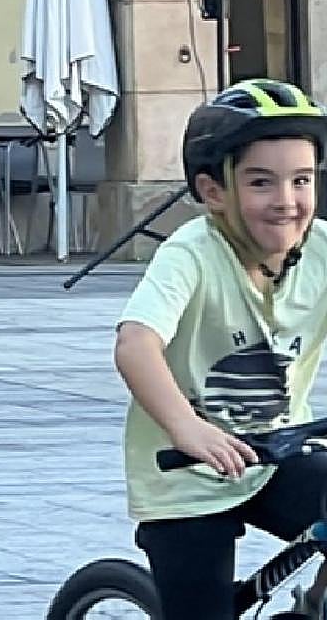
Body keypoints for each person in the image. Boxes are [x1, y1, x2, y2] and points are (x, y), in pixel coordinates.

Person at [114, 79, 327, 620]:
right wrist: (189, 429)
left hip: (276, 458)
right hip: (183, 475)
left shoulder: (321, 249)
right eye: (261, 183)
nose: (286, 201)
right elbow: (136, 345)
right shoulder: (192, 253)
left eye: (301, 181)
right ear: (214, 192)